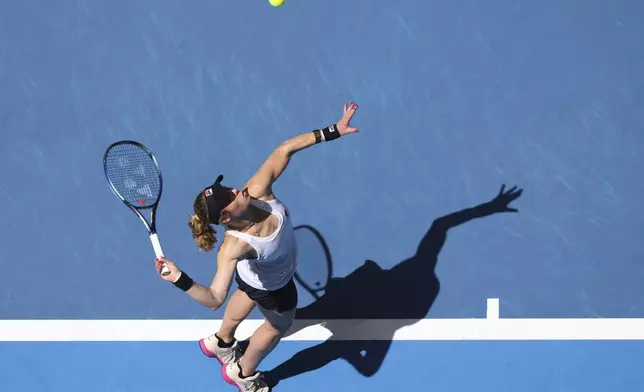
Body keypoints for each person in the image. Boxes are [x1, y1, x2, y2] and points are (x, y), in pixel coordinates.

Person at [154, 102, 360, 392]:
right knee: (278, 327)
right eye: (230, 195)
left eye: (228, 187)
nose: (237, 189)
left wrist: (332, 131)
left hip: (253, 276)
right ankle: (243, 372)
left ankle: (222, 342)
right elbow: (214, 299)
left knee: (247, 291)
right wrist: (178, 278)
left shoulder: (257, 191)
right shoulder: (233, 247)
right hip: (274, 287)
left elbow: (284, 149)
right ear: (226, 216)